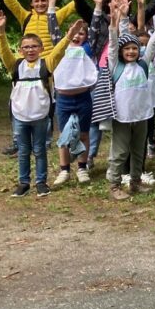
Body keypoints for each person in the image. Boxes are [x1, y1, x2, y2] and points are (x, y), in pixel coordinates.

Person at [0, 9, 76, 197]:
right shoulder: (15, 65)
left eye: (33, 46)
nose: (30, 50)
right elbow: (3, 51)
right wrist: (1, 31)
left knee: (40, 150)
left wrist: (69, 36)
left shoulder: (46, 64)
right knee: (23, 151)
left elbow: (59, 50)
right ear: (21, 50)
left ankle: (41, 182)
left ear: (40, 49)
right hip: (19, 115)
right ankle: (24, 183)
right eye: (26, 47)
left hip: (40, 115)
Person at [106, 0, 155, 199]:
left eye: (134, 48)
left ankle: (135, 182)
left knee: (138, 152)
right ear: (122, 52)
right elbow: (114, 45)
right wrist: (115, 24)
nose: (131, 51)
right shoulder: (116, 66)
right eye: (127, 49)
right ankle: (114, 186)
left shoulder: (143, 64)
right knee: (120, 153)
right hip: (122, 117)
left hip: (142, 116)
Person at [50, 13, 98, 187]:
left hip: (83, 97)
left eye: (82, 33)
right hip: (63, 99)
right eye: (74, 32)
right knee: (64, 136)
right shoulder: (60, 48)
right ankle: (64, 170)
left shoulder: (87, 49)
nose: (77, 36)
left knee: (84, 133)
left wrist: (98, 8)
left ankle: (82, 167)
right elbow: (52, 29)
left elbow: (95, 30)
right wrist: (51, 7)